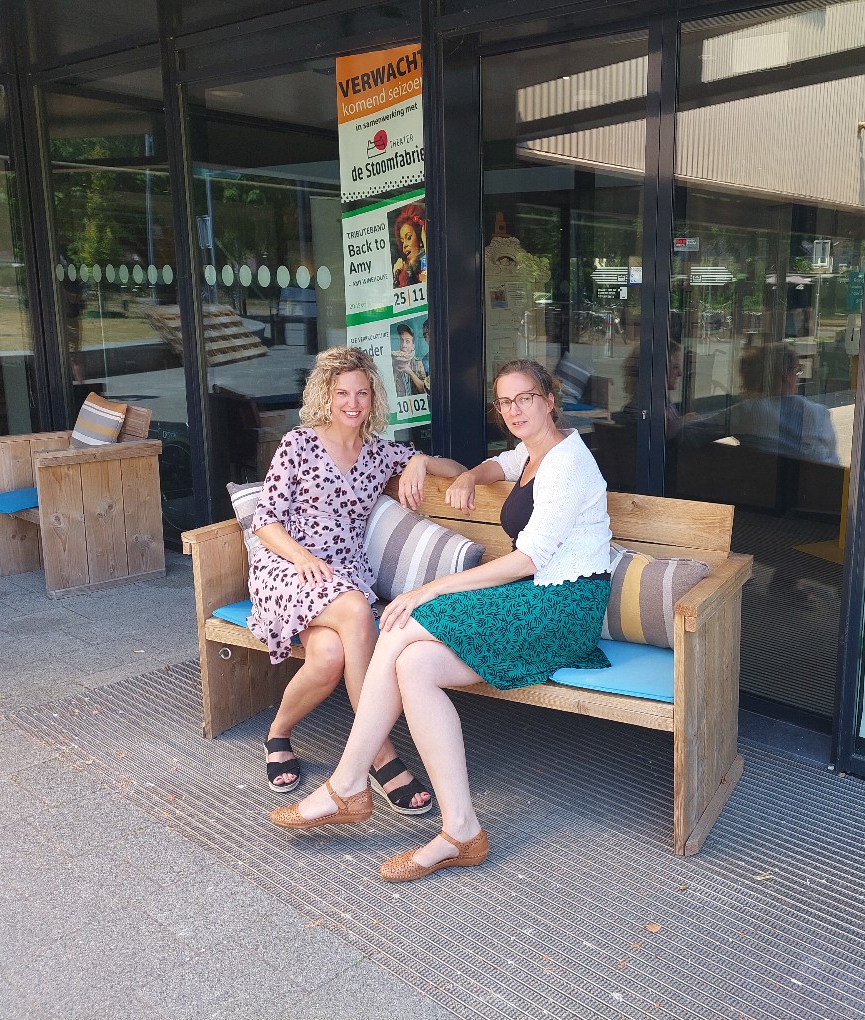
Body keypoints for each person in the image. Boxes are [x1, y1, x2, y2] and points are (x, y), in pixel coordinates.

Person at [270, 359, 613, 885]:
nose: (515, 410)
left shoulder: (569, 463)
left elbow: (527, 561)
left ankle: (348, 784)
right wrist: (474, 474)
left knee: (405, 621)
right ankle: (462, 830)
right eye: (505, 402)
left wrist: (430, 587)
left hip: (562, 607)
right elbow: (501, 463)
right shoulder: (537, 449)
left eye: (525, 398)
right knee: (414, 666)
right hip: (538, 596)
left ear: (549, 398)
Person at [248, 347, 466, 804]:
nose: (352, 403)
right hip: (289, 569)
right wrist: (302, 557)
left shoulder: (379, 453)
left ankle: (277, 733)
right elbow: (265, 519)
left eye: (362, 393)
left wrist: (419, 462)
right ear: (325, 395)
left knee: (328, 658)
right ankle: (381, 757)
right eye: (342, 392)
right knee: (353, 611)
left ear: (373, 398)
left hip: (344, 574)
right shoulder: (299, 443)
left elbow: (458, 471)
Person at [725, 343, 839, 465]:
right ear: (785, 376)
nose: (798, 378)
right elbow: (832, 461)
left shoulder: (744, 412)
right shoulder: (819, 414)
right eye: (797, 371)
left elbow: (703, 429)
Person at [391, 203, 428, 289]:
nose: (404, 246)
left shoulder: (424, 264)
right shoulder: (407, 274)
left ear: (420, 238)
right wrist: (398, 275)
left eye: (408, 237)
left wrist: (426, 244)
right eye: (402, 242)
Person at [391, 322, 429, 396]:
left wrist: (409, 372)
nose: (403, 345)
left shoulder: (418, 363)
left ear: (413, 346)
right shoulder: (391, 363)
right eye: (401, 341)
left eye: (407, 341)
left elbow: (424, 390)